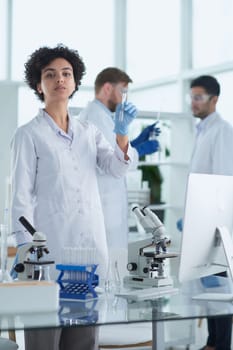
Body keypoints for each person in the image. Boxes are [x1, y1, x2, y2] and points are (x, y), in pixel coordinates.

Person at [10, 45, 137, 350]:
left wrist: (121, 135)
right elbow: (19, 198)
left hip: (89, 255)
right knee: (45, 342)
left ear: (75, 81)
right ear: (38, 85)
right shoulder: (29, 134)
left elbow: (117, 168)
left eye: (66, 73)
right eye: (50, 74)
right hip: (48, 257)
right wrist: (27, 249)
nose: (60, 80)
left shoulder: (89, 131)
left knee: (84, 342)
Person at [78, 67, 160, 279]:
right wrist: (139, 150)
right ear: (107, 88)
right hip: (104, 207)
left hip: (110, 206)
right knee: (108, 276)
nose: (125, 98)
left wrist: (138, 141)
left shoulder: (103, 116)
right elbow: (115, 163)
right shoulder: (94, 117)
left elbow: (116, 149)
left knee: (114, 271)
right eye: (122, 91)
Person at [178, 75, 233, 350]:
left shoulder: (221, 130)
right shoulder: (203, 131)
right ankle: (213, 343)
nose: (193, 102)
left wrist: (211, 224)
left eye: (199, 97)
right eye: (192, 96)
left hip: (215, 228)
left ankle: (220, 345)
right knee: (209, 293)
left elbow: (222, 180)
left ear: (215, 99)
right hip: (202, 225)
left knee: (220, 292)